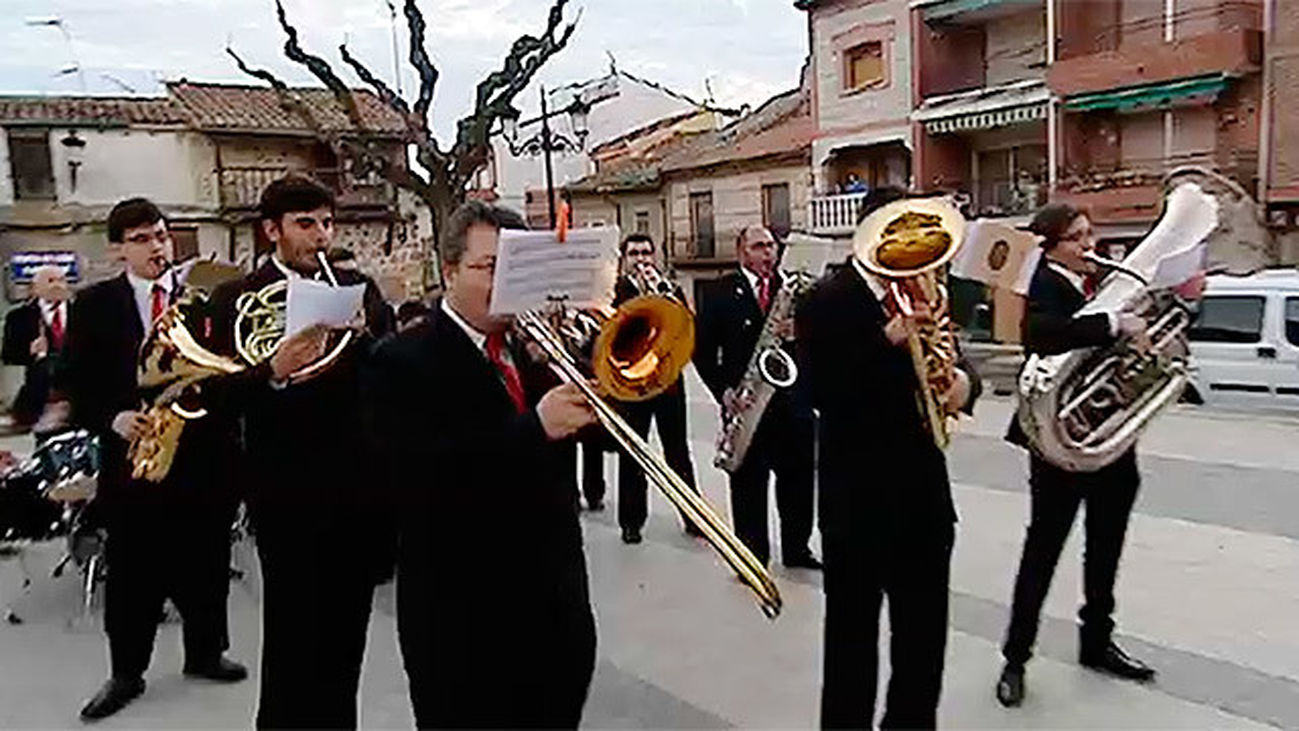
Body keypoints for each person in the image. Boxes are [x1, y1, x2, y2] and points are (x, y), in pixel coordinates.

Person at [364, 200, 598, 728]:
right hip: (464, 625)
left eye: (517, 268)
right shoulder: (400, 360)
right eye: (491, 267)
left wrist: (604, 377)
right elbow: (418, 481)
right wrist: (532, 428)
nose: (506, 283)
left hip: (556, 612)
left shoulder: (537, 350)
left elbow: (594, 447)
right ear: (449, 270)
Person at [64, 198, 272, 722]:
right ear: (118, 249)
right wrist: (111, 418)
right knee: (134, 570)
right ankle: (126, 672)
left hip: (205, 454)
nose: (156, 246)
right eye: (141, 238)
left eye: (160, 235)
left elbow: (232, 365)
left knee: (205, 563)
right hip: (135, 459)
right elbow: (73, 384)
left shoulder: (206, 297)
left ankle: (206, 653)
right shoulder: (93, 306)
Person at [209, 175, 396, 729]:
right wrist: (273, 372)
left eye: (327, 223)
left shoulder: (358, 289)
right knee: (293, 639)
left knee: (346, 638)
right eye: (306, 224)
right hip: (286, 493)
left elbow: (389, 376)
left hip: (356, 489)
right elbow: (212, 399)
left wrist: (368, 340)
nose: (321, 235)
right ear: (273, 230)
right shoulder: (236, 298)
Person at [797, 186, 980, 729]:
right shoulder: (826, 299)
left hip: (924, 501)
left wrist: (963, 385)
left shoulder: (925, 288)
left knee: (923, 644)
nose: (911, 248)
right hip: (856, 504)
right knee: (852, 645)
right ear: (872, 231)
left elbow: (957, 359)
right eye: (900, 232)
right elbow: (820, 395)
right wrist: (885, 342)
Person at [996, 203, 1156, 706]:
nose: (1091, 244)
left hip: (1107, 438)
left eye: (1091, 233)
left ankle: (1097, 641)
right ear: (1050, 245)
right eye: (1079, 237)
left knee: (1104, 548)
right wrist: (1114, 325)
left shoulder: (1100, 286)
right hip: (1056, 442)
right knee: (1043, 550)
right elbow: (1039, 335)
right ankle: (1015, 658)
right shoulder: (1043, 283)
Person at [693, 225, 819, 569]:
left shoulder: (797, 290)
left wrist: (801, 331)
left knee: (799, 481)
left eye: (772, 247)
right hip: (746, 404)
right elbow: (701, 350)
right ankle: (752, 554)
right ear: (742, 252)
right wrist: (724, 390)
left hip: (793, 404)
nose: (768, 253)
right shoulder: (719, 292)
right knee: (748, 484)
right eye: (759, 246)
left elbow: (822, 341)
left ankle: (797, 548)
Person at [612, 233, 702, 543]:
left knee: (678, 451)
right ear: (624, 258)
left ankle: (693, 516)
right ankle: (631, 522)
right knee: (633, 451)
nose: (642, 259)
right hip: (632, 384)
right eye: (634, 253)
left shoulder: (669, 288)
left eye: (646, 253)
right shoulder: (616, 291)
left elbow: (684, 328)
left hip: (667, 381)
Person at [3, 266, 71, 433]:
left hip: (78, 396)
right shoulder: (19, 317)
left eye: (61, 280)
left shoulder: (84, 311)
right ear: (35, 288)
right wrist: (30, 350)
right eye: (51, 281)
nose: (57, 285)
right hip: (41, 398)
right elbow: (8, 355)